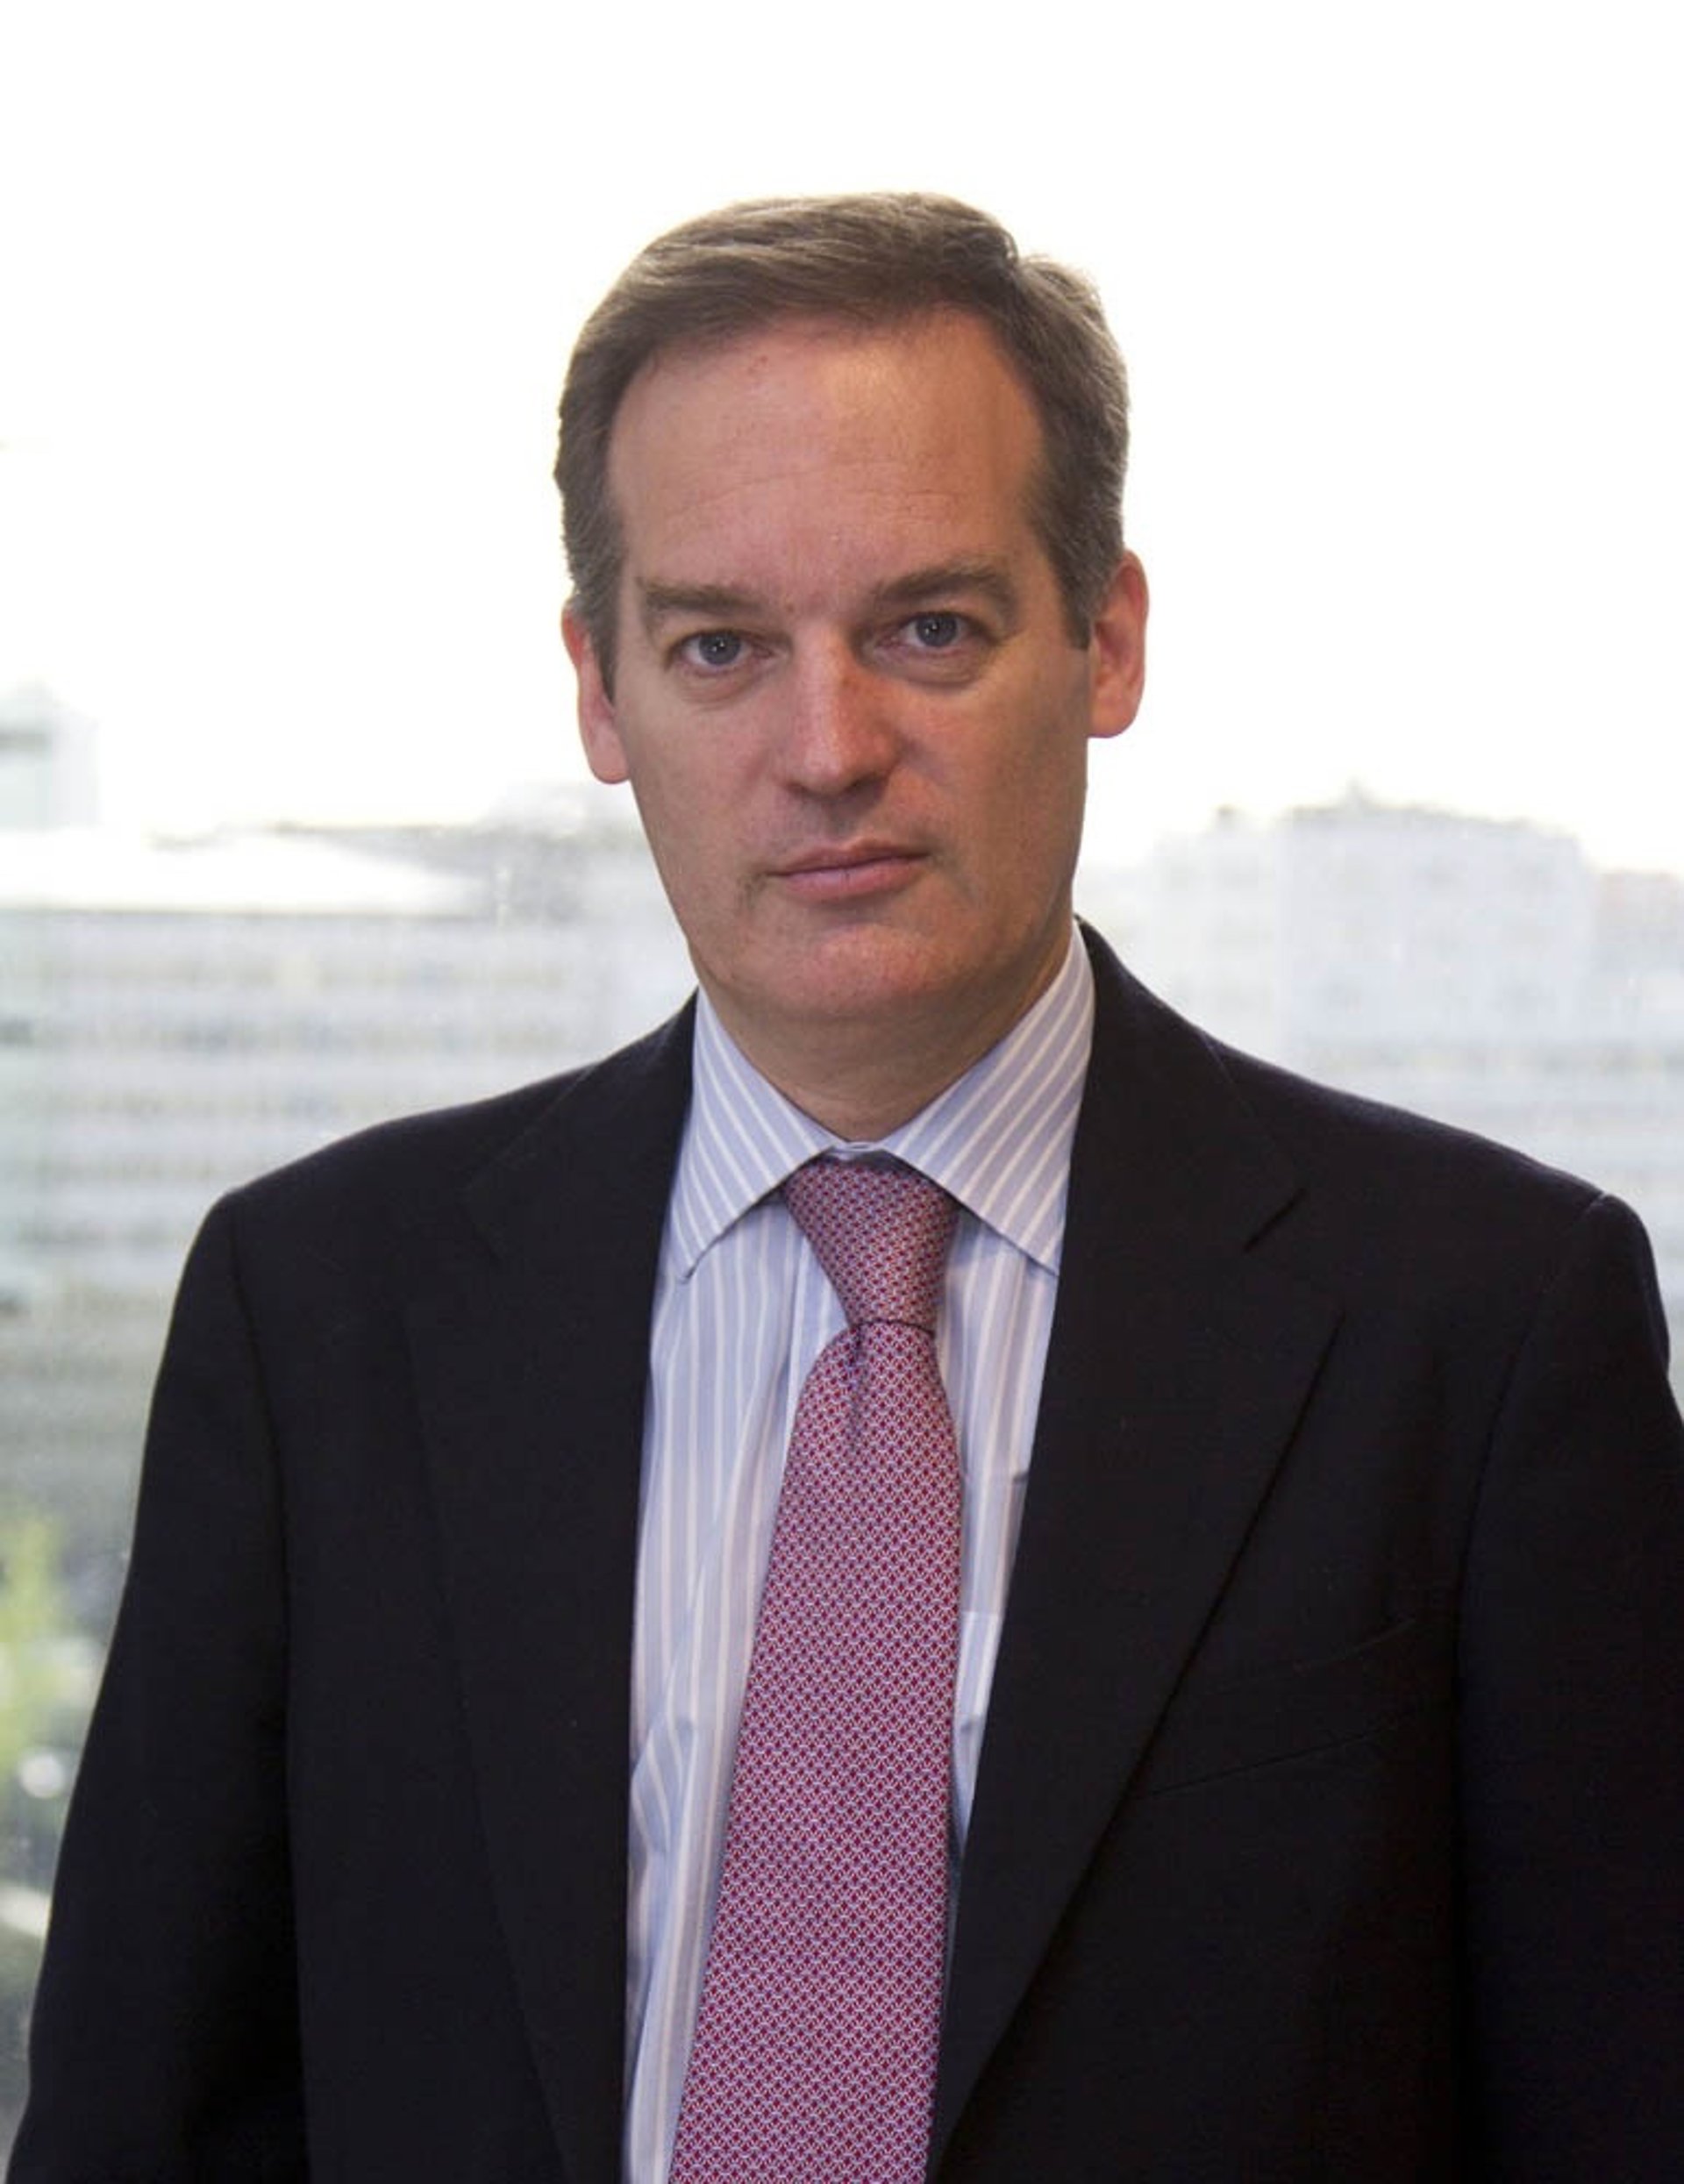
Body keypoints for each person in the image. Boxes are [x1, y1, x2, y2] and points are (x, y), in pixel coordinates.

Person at [11, 194, 1683, 2182]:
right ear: (601, 691)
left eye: (928, 630)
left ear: (1108, 639)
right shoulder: (319, 1317)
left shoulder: (1486, 1332)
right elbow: (140, 2126)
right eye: (721, 645)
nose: (828, 748)